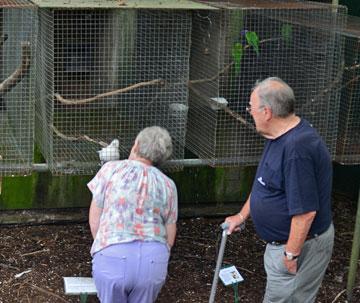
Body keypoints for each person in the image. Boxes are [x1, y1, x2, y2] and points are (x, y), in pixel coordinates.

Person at [225, 77, 334, 303]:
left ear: (267, 112)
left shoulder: (297, 150)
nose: (250, 113)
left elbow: (305, 213)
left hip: (300, 247)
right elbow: (265, 184)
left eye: (251, 108)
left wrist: (291, 255)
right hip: (283, 245)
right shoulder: (278, 136)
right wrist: (241, 215)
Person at [88, 126, 178, 303]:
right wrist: (160, 256)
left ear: (135, 145)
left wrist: (103, 248)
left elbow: (95, 219)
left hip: (113, 255)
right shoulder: (168, 184)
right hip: (154, 260)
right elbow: (170, 233)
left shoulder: (110, 169)